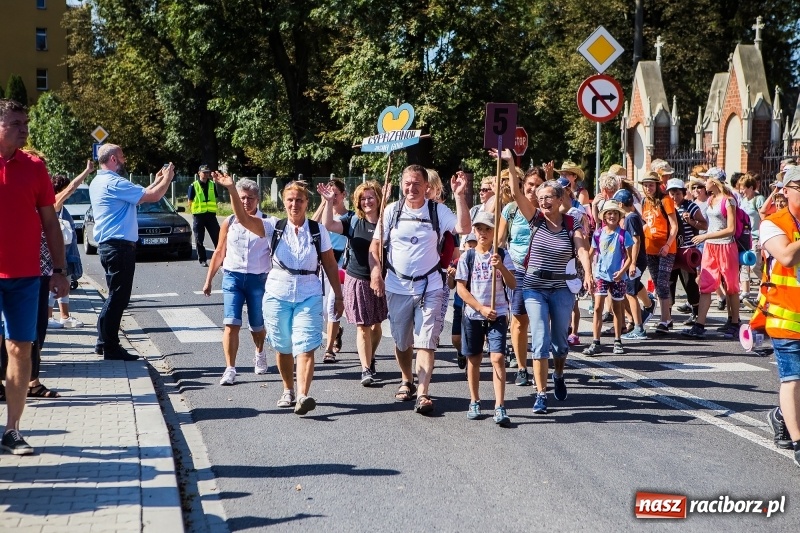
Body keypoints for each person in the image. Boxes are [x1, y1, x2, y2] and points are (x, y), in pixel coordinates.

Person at [218, 176, 343, 415]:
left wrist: (338, 296)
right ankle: (288, 389)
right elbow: (243, 219)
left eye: (299, 200)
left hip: (309, 292)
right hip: (277, 293)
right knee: (283, 347)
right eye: (290, 200)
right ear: (283, 202)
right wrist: (232, 190)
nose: (294, 204)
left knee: (306, 346)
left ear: (307, 202)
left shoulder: (318, 231)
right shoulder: (273, 226)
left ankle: (304, 395)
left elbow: (329, 263)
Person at [369, 164, 470, 415]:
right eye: (407, 183)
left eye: (417, 184)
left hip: (430, 286)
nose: (411, 188)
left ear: (427, 187)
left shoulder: (437, 210)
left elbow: (464, 228)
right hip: (397, 285)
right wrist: (375, 273)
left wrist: (459, 196)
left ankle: (423, 392)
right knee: (403, 341)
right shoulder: (391, 211)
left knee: (426, 342)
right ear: (402, 185)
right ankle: (407, 379)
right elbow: (375, 247)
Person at [0, 99, 69, 455]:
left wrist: (58, 271)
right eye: (15, 123)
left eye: (25, 122)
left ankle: (12, 430)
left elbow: (50, 223)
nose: (24, 129)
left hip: (26, 276)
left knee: (20, 350)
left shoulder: (34, 166)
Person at [504, 150, 593, 415]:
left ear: (559, 199)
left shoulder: (571, 221)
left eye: (548, 198)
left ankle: (559, 374)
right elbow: (518, 194)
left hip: (562, 288)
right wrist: (510, 164)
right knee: (540, 339)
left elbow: (582, 250)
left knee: (560, 343)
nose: (543, 202)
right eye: (540, 199)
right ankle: (540, 394)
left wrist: (587, 273)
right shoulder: (535, 220)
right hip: (533, 286)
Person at [89, 144, 175, 361]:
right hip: (119, 247)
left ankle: (103, 341)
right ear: (113, 160)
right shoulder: (114, 182)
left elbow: (141, 194)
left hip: (110, 246)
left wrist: (157, 181)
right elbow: (153, 197)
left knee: (114, 296)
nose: (125, 160)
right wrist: (168, 178)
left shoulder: (99, 181)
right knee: (118, 298)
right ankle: (110, 345)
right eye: (122, 156)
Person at [202, 178, 273, 386]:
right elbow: (219, 251)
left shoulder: (267, 223)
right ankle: (230, 368)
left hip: (258, 279)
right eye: (242, 198)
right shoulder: (230, 221)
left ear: (258, 200)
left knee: (257, 325)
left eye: (250, 198)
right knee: (231, 323)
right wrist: (209, 279)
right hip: (232, 277)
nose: (245, 202)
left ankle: (259, 351)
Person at [751, 165, 800, 466]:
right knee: (793, 377)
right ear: (786, 190)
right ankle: (798, 441)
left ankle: (780, 415)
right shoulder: (773, 224)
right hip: (785, 316)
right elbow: (786, 256)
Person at [318, 180, 387, 386]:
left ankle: (370, 356)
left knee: (376, 325)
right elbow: (328, 225)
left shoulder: (387, 221)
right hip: (356, 278)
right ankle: (365, 368)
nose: (367, 201)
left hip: (382, 280)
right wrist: (329, 203)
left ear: (378, 198)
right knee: (362, 326)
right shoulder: (353, 220)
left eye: (371, 197)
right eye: (363, 198)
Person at [455, 211, 516, 426]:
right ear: (474, 230)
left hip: (498, 314)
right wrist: (480, 308)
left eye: (488, 229)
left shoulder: (502, 255)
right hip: (474, 315)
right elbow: (461, 289)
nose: (483, 233)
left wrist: (500, 267)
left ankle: (500, 405)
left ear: (493, 232)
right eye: (479, 228)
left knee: (497, 358)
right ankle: (474, 400)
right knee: (474, 358)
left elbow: (513, 284)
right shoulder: (467, 256)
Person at [498, 166, 545, 386]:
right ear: (523, 184)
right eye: (530, 185)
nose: (533, 190)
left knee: (542, 322)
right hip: (517, 270)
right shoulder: (511, 209)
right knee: (519, 321)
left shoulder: (547, 210)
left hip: (543, 270)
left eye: (538, 186)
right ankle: (522, 367)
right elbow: (499, 241)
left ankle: (541, 363)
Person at [682, 177, 740, 339]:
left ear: (713, 182)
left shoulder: (729, 201)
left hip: (726, 246)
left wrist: (706, 236)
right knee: (706, 284)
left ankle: (734, 323)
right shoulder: (710, 199)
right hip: (710, 246)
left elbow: (731, 229)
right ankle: (699, 325)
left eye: (703, 183)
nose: (700, 186)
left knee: (731, 286)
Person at [583, 200, 634, 355]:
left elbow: (630, 258)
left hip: (618, 276)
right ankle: (595, 341)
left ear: (619, 216)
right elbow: (591, 254)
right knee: (598, 307)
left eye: (615, 213)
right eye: (609, 213)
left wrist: (622, 271)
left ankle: (617, 340)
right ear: (604, 216)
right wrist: (588, 273)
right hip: (601, 275)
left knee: (617, 309)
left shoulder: (624, 235)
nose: (612, 216)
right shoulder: (598, 234)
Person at [312, 178, 352, 362]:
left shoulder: (349, 217)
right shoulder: (323, 215)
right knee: (323, 310)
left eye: (336, 194)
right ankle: (337, 332)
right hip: (322, 267)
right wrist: (323, 203)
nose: (333, 197)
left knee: (332, 306)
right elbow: (310, 227)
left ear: (344, 195)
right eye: (329, 194)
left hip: (341, 268)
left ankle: (329, 350)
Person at [50, 167, 94, 328]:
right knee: (53, 286)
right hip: (57, 253)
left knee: (65, 284)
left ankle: (64, 316)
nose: (71, 193)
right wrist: (87, 171)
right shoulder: (55, 201)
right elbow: (71, 187)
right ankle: (49, 318)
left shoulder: (60, 205)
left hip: (65, 252)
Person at [641, 171, 679, 333]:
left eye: (651, 185)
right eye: (646, 185)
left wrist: (667, 245)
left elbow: (674, 225)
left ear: (657, 185)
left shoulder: (665, 200)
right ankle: (666, 319)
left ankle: (665, 319)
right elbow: (646, 224)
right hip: (650, 248)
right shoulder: (645, 202)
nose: (648, 188)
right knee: (657, 284)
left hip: (666, 248)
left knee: (663, 283)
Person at [666, 177, 706, 324]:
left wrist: (691, 221)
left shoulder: (691, 206)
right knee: (669, 283)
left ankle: (696, 313)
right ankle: (667, 317)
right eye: (672, 193)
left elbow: (704, 225)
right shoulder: (666, 206)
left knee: (690, 283)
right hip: (670, 250)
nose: (675, 197)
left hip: (686, 251)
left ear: (683, 193)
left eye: (677, 193)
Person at [615, 189, 652, 340]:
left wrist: (632, 263)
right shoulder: (632, 216)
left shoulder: (630, 218)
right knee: (634, 286)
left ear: (620, 204)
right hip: (635, 260)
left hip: (635, 260)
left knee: (630, 293)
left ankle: (639, 328)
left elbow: (636, 240)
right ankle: (649, 306)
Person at [449, 233, 477, 371]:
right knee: (456, 338)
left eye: (474, 244)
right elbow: (451, 286)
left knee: (472, 339)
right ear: (464, 246)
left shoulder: (480, 260)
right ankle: (461, 352)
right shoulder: (457, 262)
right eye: (469, 245)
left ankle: (470, 364)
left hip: (474, 307)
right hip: (459, 305)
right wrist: (451, 275)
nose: (471, 247)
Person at [736, 173, 765, 300]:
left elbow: (764, 219)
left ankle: (767, 281)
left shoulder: (759, 199)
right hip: (744, 237)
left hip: (756, 237)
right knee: (744, 265)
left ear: (751, 187)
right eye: (740, 188)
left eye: (744, 188)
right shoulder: (742, 200)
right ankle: (745, 292)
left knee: (754, 266)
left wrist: (762, 238)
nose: (742, 191)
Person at [187, 164, 221, 267]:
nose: (206, 174)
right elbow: (190, 201)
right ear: (199, 173)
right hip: (199, 216)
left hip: (211, 215)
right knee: (199, 239)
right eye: (204, 172)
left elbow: (215, 198)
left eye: (207, 172)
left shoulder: (212, 184)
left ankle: (220, 259)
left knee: (218, 237)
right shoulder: (193, 186)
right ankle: (203, 260)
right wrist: (194, 212)